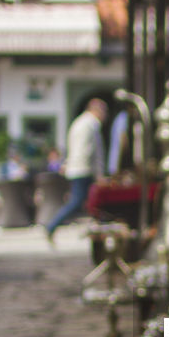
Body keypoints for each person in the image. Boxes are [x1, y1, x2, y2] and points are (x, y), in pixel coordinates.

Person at [46, 98, 108, 243]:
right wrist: (98, 174)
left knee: (82, 201)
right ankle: (52, 225)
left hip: (77, 167)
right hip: (83, 169)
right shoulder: (91, 124)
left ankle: (93, 230)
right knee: (80, 201)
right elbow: (92, 152)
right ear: (97, 111)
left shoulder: (79, 123)